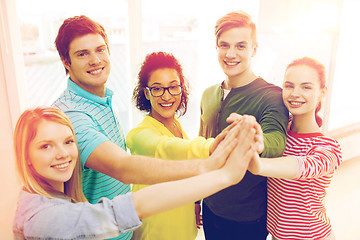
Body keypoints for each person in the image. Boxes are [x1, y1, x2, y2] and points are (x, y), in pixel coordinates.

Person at [51, 15, 239, 240]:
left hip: (122, 230)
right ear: (65, 61)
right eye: (82, 54)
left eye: (100, 50)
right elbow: (124, 167)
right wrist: (209, 156)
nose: (95, 60)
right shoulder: (71, 116)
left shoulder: (101, 101)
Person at [12, 106, 257, 240]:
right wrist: (221, 173)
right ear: (26, 158)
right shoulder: (41, 220)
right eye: (45, 146)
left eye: (68, 142)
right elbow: (131, 206)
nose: (62, 154)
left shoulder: (49, 198)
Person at [198, 11, 289, 239]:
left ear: (254, 49)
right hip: (210, 205)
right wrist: (196, 199)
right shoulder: (209, 94)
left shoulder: (272, 96)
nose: (230, 54)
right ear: (216, 47)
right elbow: (201, 146)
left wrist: (258, 141)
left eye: (240, 46)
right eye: (224, 45)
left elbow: (276, 139)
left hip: (247, 216)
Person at [127, 52, 227, 240]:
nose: (167, 96)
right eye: (157, 89)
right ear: (147, 93)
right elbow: (167, 146)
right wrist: (212, 147)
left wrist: (196, 202)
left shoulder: (175, 124)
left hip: (183, 229)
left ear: (181, 89)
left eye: (173, 87)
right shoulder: (140, 135)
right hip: (156, 231)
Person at [247, 57, 343, 240]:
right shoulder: (279, 133)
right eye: (289, 86)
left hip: (312, 236)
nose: (295, 93)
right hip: (276, 235)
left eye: (306, 87)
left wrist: (258, 165)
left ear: (322, 93)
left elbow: (302, 167)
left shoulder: (329, 148)